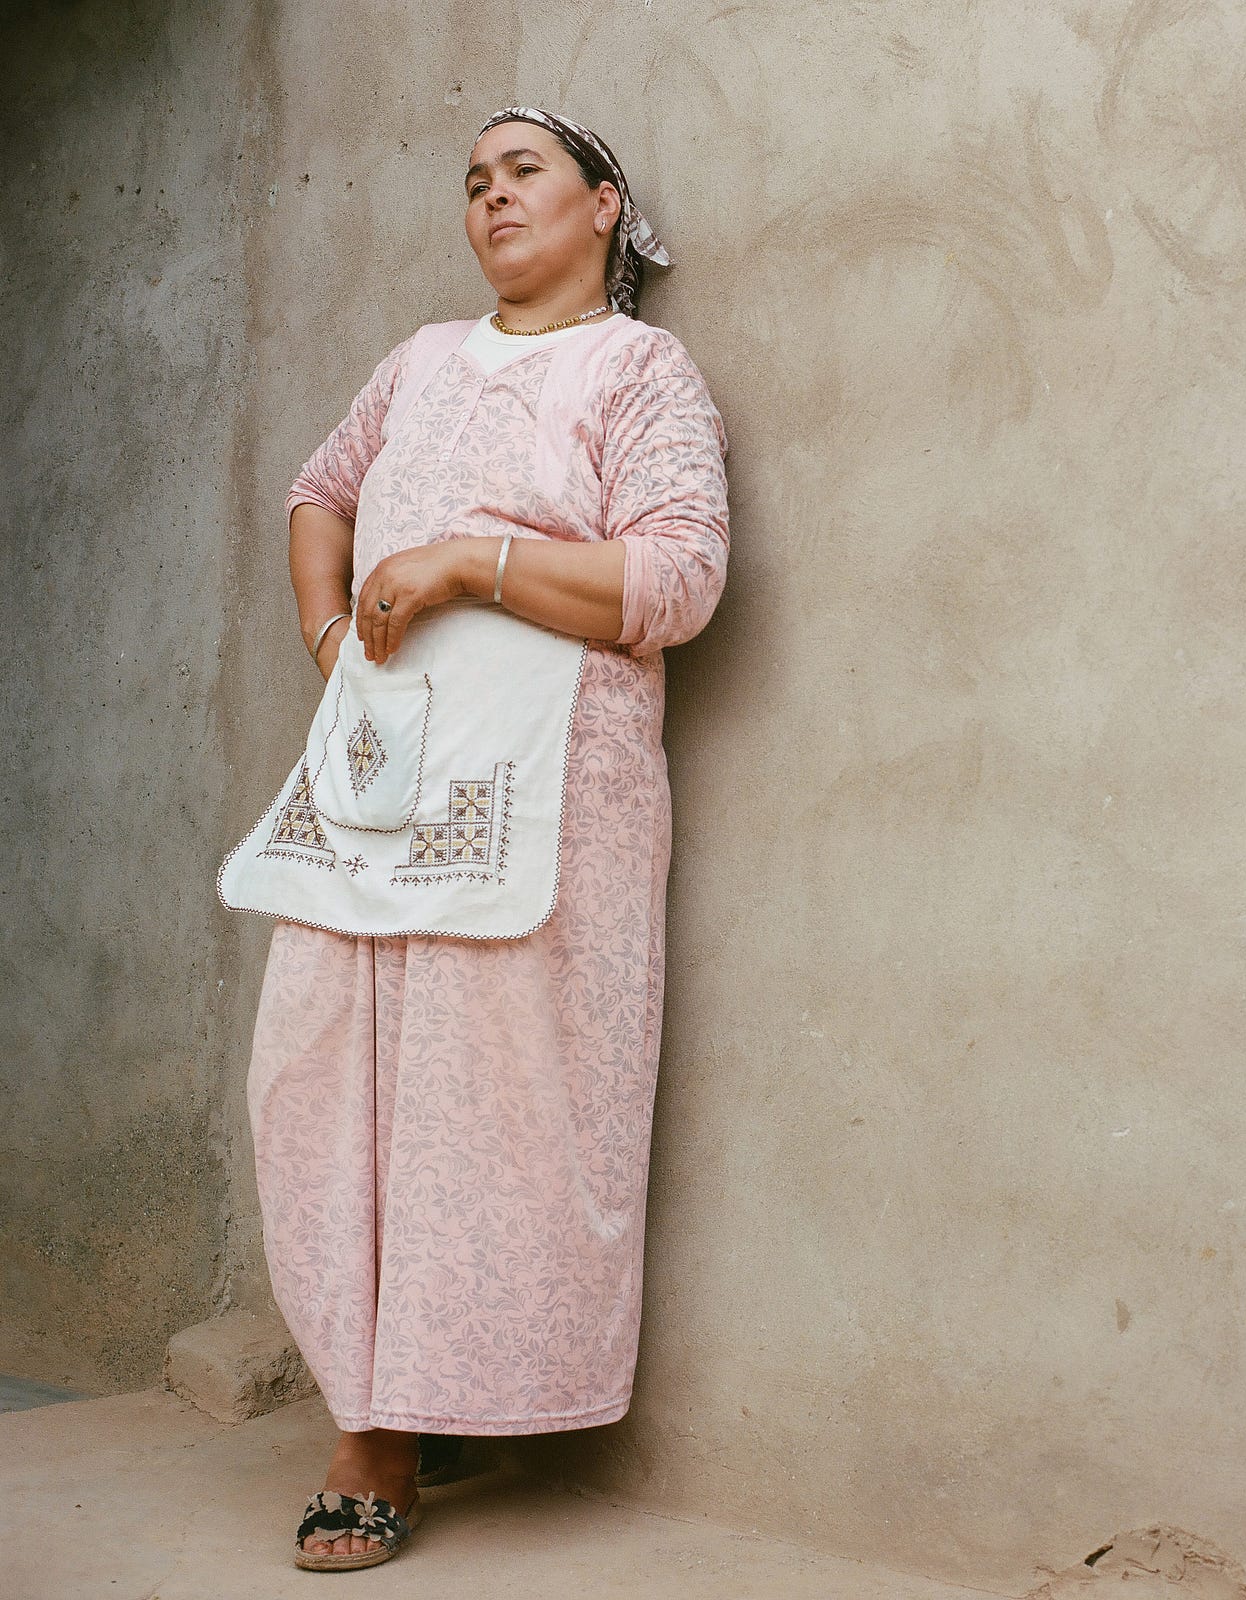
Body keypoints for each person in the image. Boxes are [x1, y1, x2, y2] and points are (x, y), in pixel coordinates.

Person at [234, 105, 730, 1571]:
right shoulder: (421, 361)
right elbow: (320, 495)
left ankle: (387, 1434)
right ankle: (382, 1388)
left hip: (550, 788)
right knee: (320, 1075)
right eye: (473, 182)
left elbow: (680, 577)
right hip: (381, 775)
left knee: (478, 1103)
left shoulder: (637, 369)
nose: (493, 198)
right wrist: (331, 640)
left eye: (524, 172)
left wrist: (468, 562)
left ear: (604, 204)